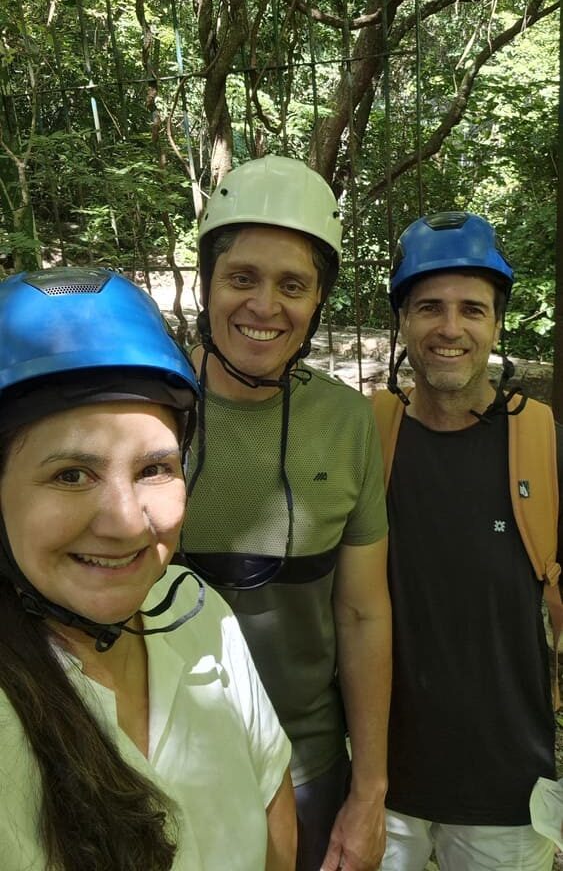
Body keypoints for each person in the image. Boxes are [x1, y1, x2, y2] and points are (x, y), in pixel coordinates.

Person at [0, 266, 295, 871]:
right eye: (71, 475)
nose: (129, 523)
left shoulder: (196, 610)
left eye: (154, 469)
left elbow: (273, 810)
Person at [182, 154, 391, 871]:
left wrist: (368, 794)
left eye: (291, 286)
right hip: (161, 771)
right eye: (241, 277)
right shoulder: (146, 408)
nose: (264, 306)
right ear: (206, 285)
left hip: (306, 771)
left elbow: (362, 613)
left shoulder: (344, 420)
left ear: (317, 302)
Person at [373, 211, 562, 871]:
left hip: (507, 793)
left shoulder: (540, 441)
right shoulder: (369, 435)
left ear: (495, 322)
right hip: (379, 785)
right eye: (428, 307)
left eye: (470, 309)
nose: (449, 329)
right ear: (402, 321)